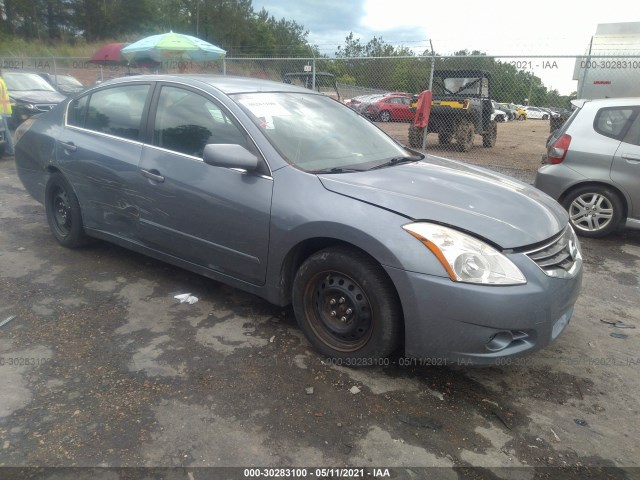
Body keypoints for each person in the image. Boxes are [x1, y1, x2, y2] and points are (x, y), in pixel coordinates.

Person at [0, 69, 15, 157]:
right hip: (4, 109)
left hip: (1, 110)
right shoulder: (1, 80)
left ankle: (10, 150)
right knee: (5, 130)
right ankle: (9, 149)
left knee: (5, 130)